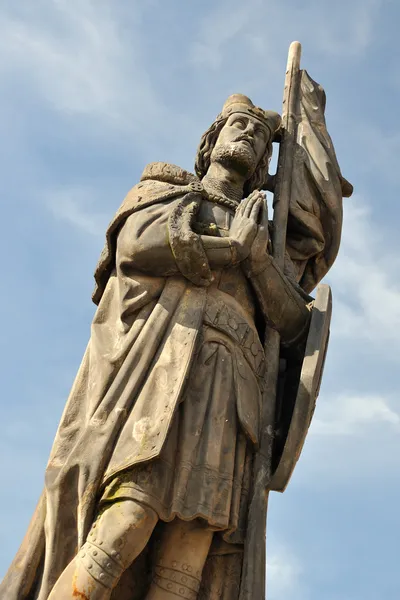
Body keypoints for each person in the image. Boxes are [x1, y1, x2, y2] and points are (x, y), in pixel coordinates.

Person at [1, 95, 313, 600]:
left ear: (263, 166)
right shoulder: (166, 190)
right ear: (209, 142)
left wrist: (256, 259)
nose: (249, 137)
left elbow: (294, 322)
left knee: (187, 562)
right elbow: (135, 246)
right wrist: (230, 248)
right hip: (161, 379)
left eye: (259, 137)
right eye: (238, 125)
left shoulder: (265, 236)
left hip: (233, 397)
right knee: (125, 522)